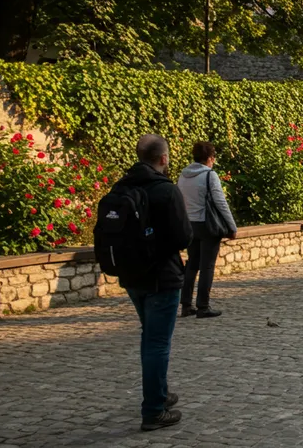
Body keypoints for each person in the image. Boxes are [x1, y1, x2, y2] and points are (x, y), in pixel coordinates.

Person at [113, 134, 192, 431]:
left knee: (150, 336)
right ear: (163, 159)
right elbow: (184, 236)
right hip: (163, 275)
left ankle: (159, 394)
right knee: (157, 343)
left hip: (132, 275)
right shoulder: (166, 191)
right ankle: (154, 410)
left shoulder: (121, 187)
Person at [177, 141, 238, 319]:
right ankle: (203, 306)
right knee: (207, 266)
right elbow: (220, 202)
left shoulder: (183, 175)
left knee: (191, 265)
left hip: (190, 224)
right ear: (210, 158)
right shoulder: (209, 175)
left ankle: (186, 305)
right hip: (207, 225)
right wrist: (231, 227)